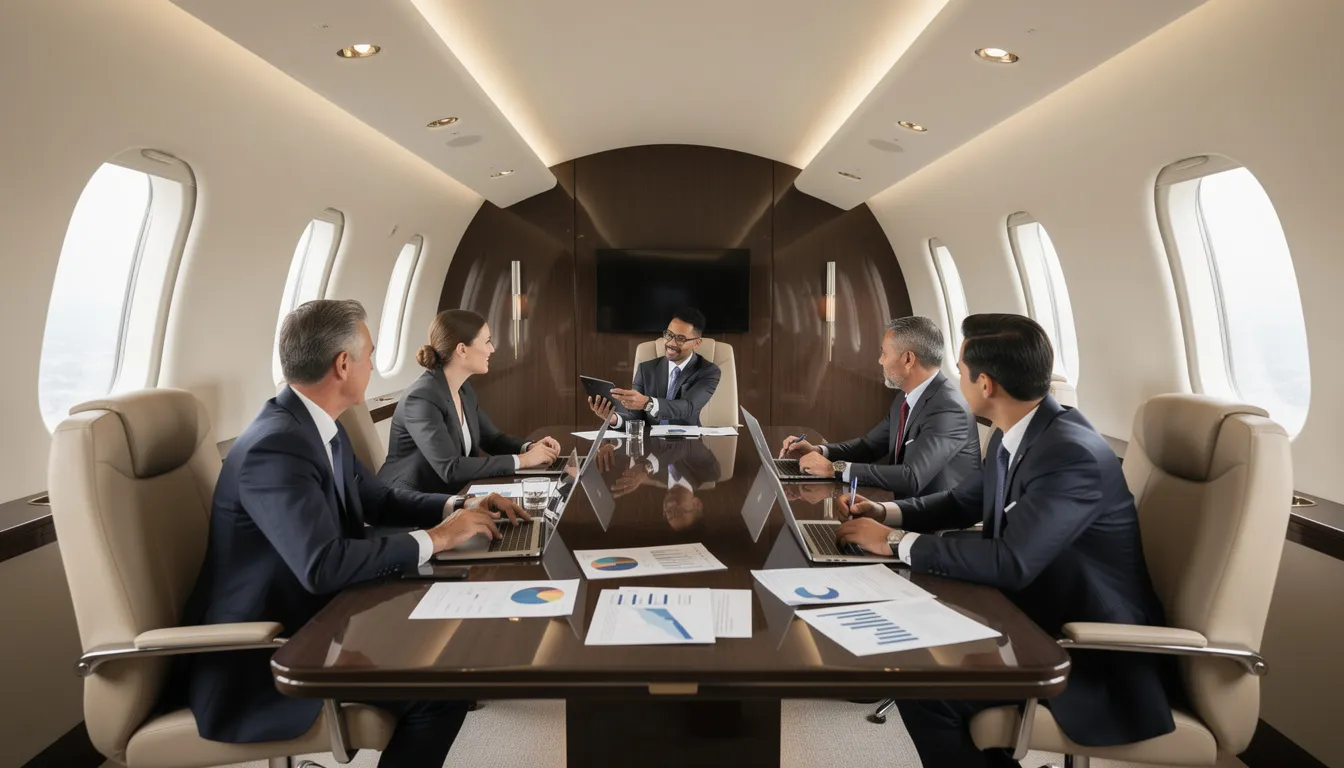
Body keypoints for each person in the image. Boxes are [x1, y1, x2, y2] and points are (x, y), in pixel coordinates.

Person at [180, 299, 528, 767]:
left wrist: (461, 505)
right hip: (265, 656)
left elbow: (379, 499)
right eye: (370, 354)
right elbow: (322, 565)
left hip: (319, 622)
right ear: (343, 364)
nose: (372, 364)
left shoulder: (315, 427)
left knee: (443, 652)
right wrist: (439, 537)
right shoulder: (276, 447)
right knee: (440, 691)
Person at [836, 313, 1176, 767]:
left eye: (960, 369)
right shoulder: (1016, 435)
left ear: (986, 384)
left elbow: (1012, 562)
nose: (956, 378)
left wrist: (894, 541)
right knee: (918, 665)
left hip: (1091, 652)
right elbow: (959, 502)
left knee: (925, 688)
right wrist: (885, 512)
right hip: (1031, 618)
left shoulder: (1070, 453)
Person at [779, 316, 979, 498]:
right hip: (906, 508)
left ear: (908, 359)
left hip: (934, 523)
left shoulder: (948, 409)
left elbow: (912, 476)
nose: (880, 361)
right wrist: (820, 451)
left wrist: (834, 469)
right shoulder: (906, 397)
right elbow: (869, 446)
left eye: (884, 353)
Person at [379, 309, 561, 494]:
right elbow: (451, 468)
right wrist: (524, 460)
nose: (492, 349)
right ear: (462, 350)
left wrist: (530, 447)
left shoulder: (464, 390)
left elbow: (493, 440)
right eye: (487, 341)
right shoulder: (421, 399)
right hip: (408, 503)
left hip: (452, 494)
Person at [589, 306, 721, 428]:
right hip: (651, 446)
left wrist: (648, 403)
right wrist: (613, 419)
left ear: (697, 343)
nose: (671, 343)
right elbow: (635, 418)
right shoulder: (646, 369)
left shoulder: (708, 371)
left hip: (688, 444)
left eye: (680, 339)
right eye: (669, 335)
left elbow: (688, 407)